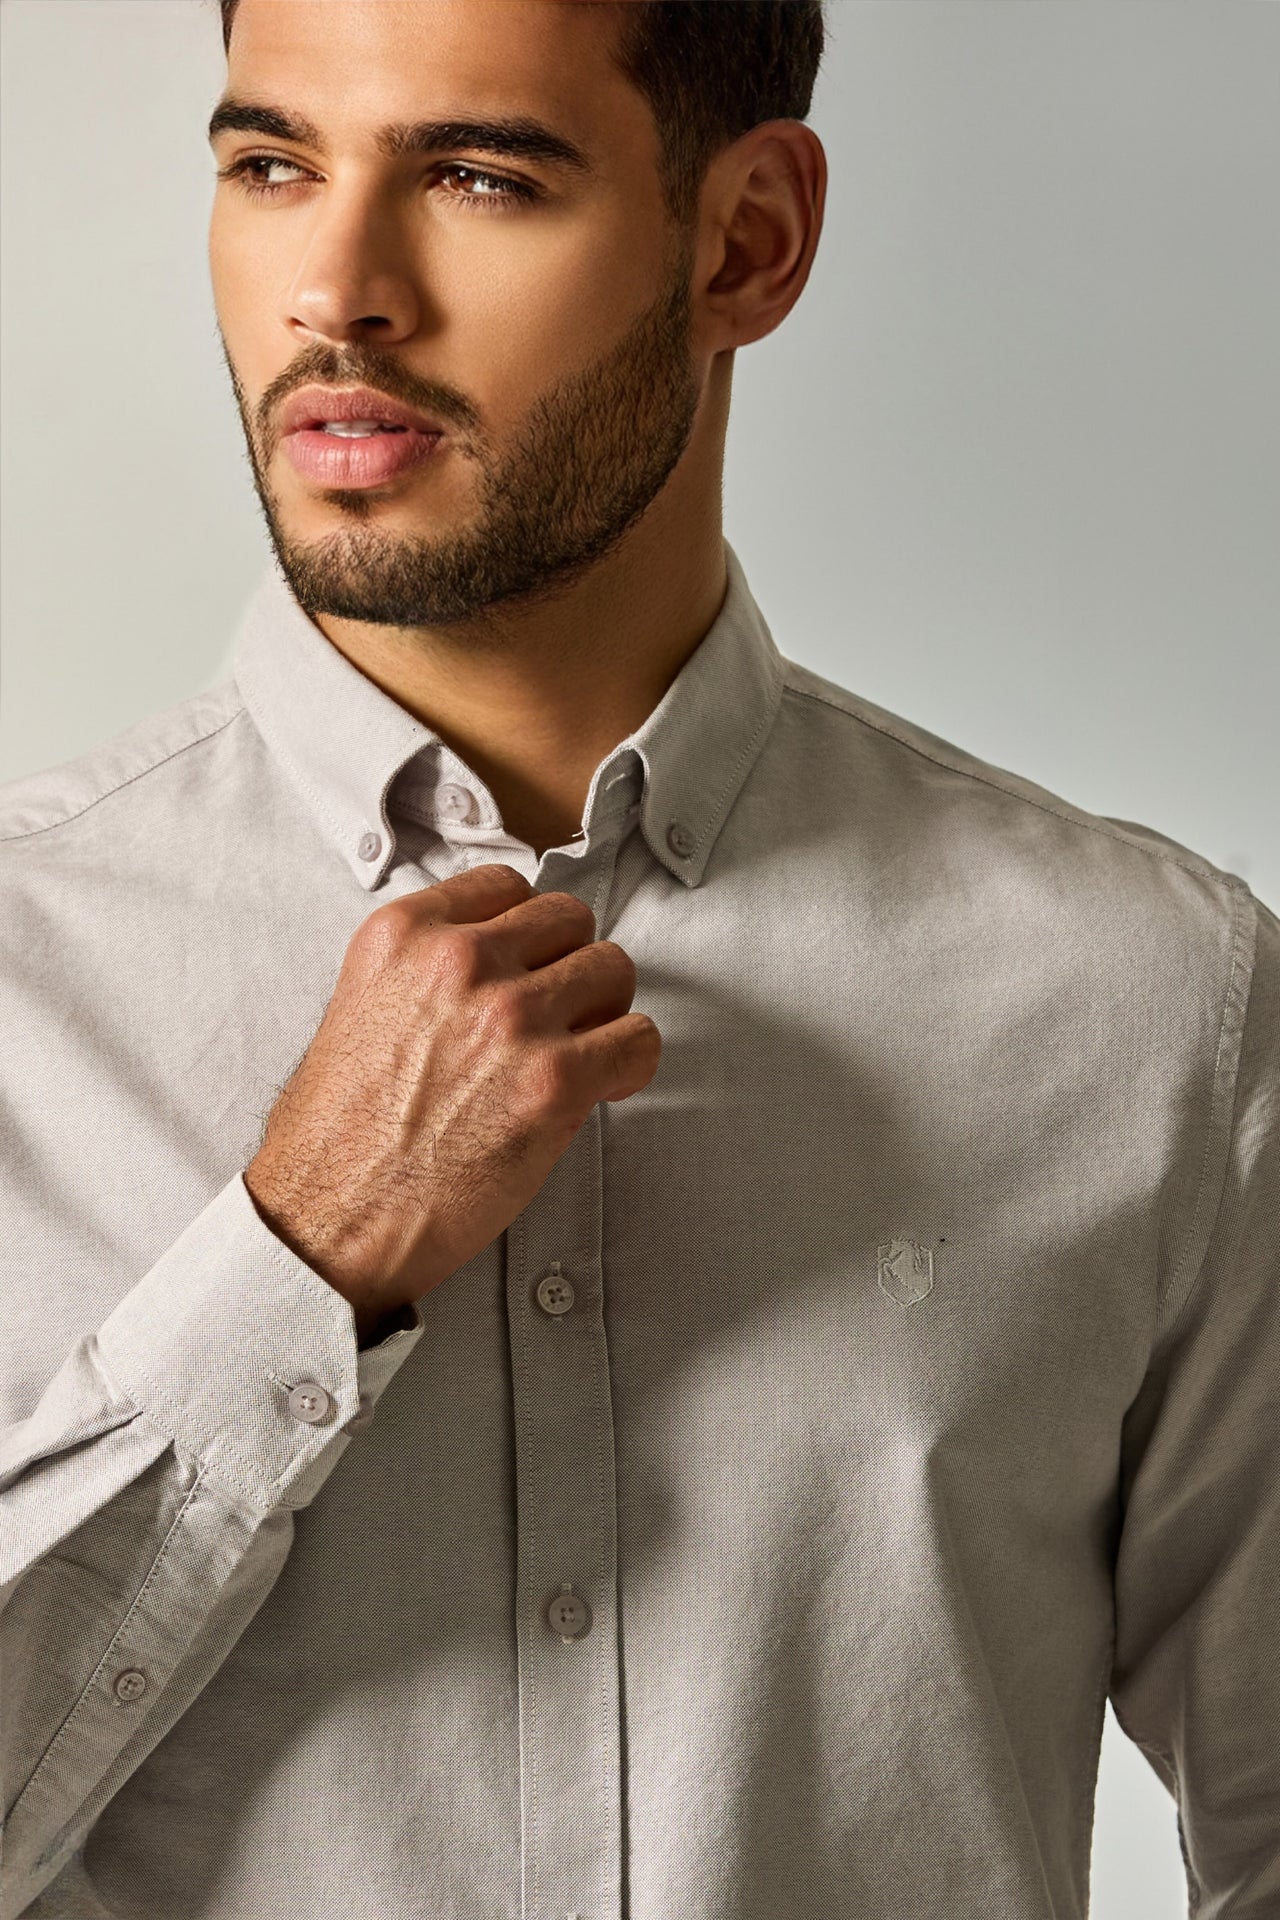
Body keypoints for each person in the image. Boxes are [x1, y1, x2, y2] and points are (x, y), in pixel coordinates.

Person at [1, 2, 1275, 1914]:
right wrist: (294, 1272)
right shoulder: (19, 980)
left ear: (747, 241)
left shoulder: (1151, 1004)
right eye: (271, 165)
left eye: (477, 177)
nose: (335, 291)